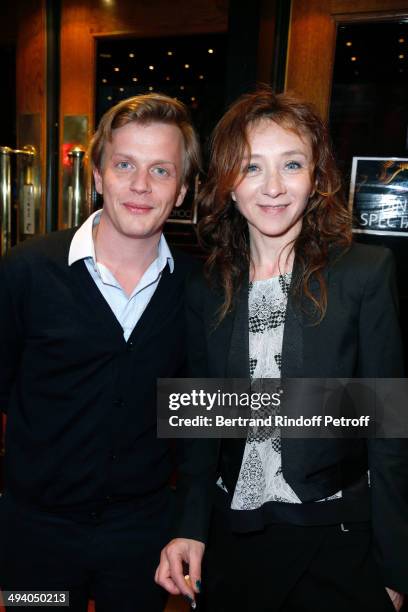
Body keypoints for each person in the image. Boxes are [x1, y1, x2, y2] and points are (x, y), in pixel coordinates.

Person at [156, 87, 407, 611]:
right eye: (251, 168)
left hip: (337, 541)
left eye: (291, 164)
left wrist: (396, 567)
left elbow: (388, 432)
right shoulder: (204, 286)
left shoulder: (365, 273)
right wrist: (189, 529)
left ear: (316, 178)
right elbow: (201, 429)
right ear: (228, 183)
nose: (273, 187)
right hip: (232, 541)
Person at [0, 93, 200, 611]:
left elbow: (200, 419)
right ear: (96, 175)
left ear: (180, 190)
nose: (140, 185)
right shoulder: (26, 271)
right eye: (125, 165)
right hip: (35, 538)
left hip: (142, 540)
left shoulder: (196, 292)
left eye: (161, 170)